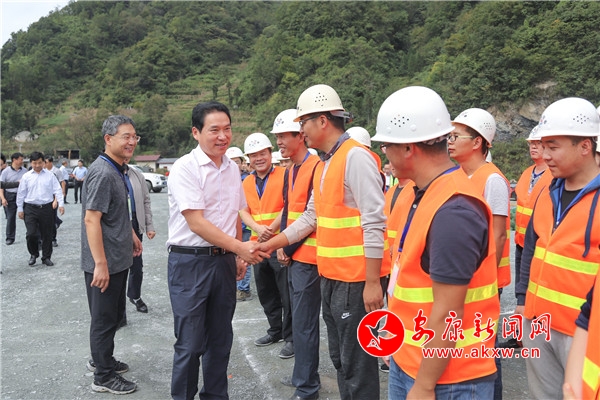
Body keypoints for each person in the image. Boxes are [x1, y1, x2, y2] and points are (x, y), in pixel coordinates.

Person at [255, 84, 388, 399]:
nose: (301, 130)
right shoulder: (326, 163)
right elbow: (310, 218)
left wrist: (373, 282)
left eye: (303, 122)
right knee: (341, 359)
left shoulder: (355, 157)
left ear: (323, 121)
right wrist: (271, 244)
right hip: (331, 278)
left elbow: (374, 221)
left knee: (357, 365)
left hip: (355, 282)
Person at [371, 86, 500, 399]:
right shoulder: (420, 193)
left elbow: (447, 312)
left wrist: (425, 384)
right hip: (412, 361)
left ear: (408, 148)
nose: (384, 153)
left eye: (386, 145)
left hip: (450, 378)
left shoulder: (454, 210)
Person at [166, 101, 267, 400]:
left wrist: (235, 256)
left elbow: (234, 212)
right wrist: (240, 248)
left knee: (220, 340)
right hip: (190, 262)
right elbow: (196, 222)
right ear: (196, 132)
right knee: (190, 343)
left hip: (222, 262)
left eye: (227, 129)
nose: (222, 136)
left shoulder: (232, 169)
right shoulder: (185, 168)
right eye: (214, 130)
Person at [515, 97, 600, 400]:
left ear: (585, 146)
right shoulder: (547, 190)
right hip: (539, 323)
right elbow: (531, 248)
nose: (545, 155)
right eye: (543, 146)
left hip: (584, 331)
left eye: (553, 147)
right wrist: (522, 299)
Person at [448, 107, 510, 399]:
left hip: (483, 282)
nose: (449, 141)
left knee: (484, 346)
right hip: (463, 277)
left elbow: (498, 234)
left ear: (477, 142)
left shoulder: (492, 179)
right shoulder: (457, 175)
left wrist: (484, 278)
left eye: (456, 136)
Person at [81, 115, 143, 395]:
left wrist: (131, 235)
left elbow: (114, 211)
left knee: (113, 316)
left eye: (134, 136)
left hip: (118, 259)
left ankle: (102, 359)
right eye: (125, 136)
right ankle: (103, 375)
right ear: (108, 139)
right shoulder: (103, 173)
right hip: (105, 264)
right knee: (104, 319)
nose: (132, 141)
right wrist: (100, 264)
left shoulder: (118, 169)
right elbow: (91, 219)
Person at [272, 108, 322, 399]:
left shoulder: (317, 167)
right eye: (277, 136)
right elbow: (288, 211)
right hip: (292, 254)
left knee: (304, 324)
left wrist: (284, 247)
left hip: (308, 258)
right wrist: (282, 246)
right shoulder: (291, 169)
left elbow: (311, 218)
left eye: (283, 136)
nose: (279, 141)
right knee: (299, 321)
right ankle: (303, 375)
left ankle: (307, 386)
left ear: (300, 135)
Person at [240, 132, 294, 359]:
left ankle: (291, 338)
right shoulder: (246, 182)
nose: (259, 158)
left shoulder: (285, 175)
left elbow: (289, 205)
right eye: (254, 155)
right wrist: (257, 228)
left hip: (279, 243)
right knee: (265, 291)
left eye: (262, 153)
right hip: (257, 246)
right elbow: (243, 210)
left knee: (286, 294)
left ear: (270, 153)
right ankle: (275, 330)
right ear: (248, 159)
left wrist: (269, 229)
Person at [499, 127, 553, 349]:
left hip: (541, 243)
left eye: (538, 143)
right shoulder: (527, 173)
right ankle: (518, 335)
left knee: (537, 290)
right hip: (522, 242)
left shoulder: (553, 175)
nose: (533, 147)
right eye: (531, 143)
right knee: (521, 291)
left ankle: (536, 335)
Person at [16, 151, 64, 266]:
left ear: (44, 163)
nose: (37, 165)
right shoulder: (26, 176)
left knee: (47, 234)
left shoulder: (50, 175)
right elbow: (21, 193)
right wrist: (20, 209)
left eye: (39, 163)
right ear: (31, 163)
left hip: (46, 208)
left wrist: (61, 204)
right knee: (31, 233)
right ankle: (33, 253)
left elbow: (57, 190)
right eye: (34, 163)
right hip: (30, 208)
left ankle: (46, 257)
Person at [125, 162, 155, 314]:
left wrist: (149, 225)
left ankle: (135, 295)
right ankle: (115, 306)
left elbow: (146, 200)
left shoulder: (136, 174)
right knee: (117, 267)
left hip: (135, 223)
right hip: (116, 225)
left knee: (136, 264)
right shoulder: (108, 174)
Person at [225, 146, 253, 302]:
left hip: (245, 227)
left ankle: (243, 289)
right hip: (231, 228)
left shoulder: (247, 180)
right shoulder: (224, 181)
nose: (234, 165)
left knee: (244, 258)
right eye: (231, 162)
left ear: (242, 163)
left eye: (236, 162)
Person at [1, 152, 27, 245]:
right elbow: (1, 186)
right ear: (14, 160)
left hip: (22, 196)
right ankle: (10, 237)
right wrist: (3, 198)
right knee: (10, 217)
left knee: (28, 216)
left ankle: (32, 236)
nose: (22, 161)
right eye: (21, 159)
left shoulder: (25, 171)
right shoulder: (5, 171)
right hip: (10, 196)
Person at [45, 155, 64, 248]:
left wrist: (57, 200)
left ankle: (53, 239)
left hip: (52, 198)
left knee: (52, 220)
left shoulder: (56, 172)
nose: (44, 164)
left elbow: (60, 184)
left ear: (50, 162)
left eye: (46, 162)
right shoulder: (41, 172)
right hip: (43, 200)